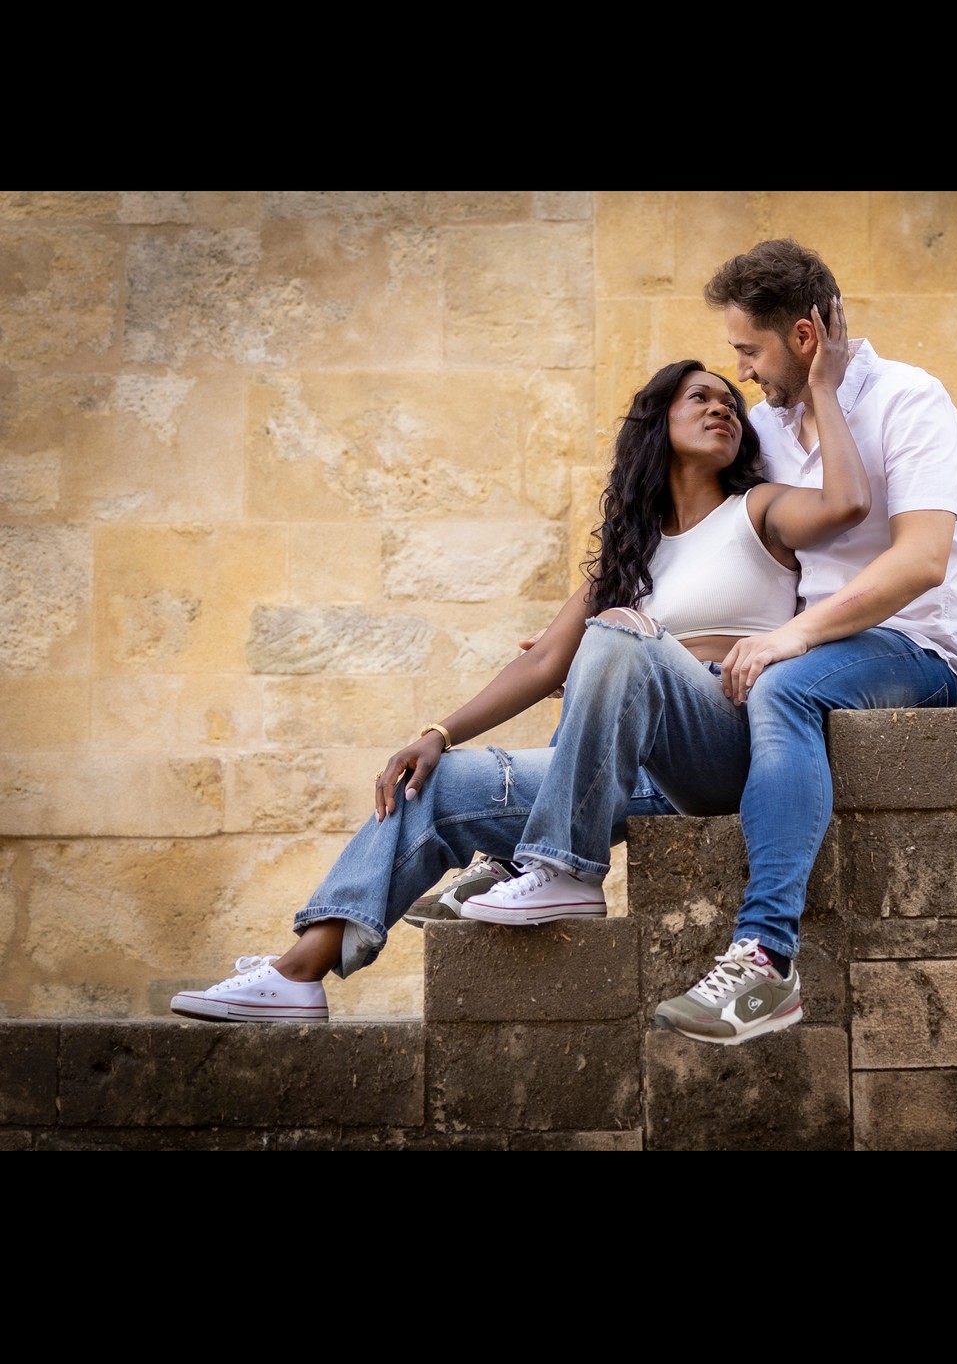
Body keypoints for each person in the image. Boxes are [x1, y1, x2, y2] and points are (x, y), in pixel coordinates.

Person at [169, 304, 868, 1026]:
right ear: (657, 423)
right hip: (625, 775)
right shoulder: (628, 562)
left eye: (730, 403)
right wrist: (437, 732)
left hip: (722, 742)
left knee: (619, 635)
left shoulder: (758, 511)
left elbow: (848, 502)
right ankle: (297, 974)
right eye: (700, 398)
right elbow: (538, 670)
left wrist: (823, 386)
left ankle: (562, 868)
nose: (723, 408)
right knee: (430, 788)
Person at [647, 238, 957, 1043]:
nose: (741, 370)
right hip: (796, 654)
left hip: (912, 649)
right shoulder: (760, 429)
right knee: (637, 710)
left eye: (749, 350)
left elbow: (922, 560)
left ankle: (765, 958)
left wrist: (789, 639)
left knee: (782, 687)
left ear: (803, 337)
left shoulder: (909, 398)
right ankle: (513, 843)